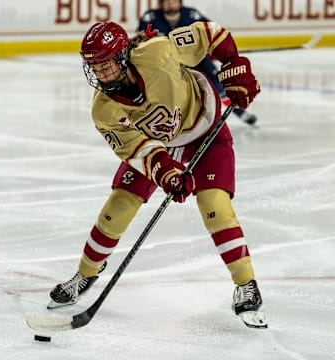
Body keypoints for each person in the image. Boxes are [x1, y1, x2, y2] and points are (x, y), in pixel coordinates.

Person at [47, 19, 266, 327]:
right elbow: (136, 149)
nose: (100, 73)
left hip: (206, 130)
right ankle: (85, 275)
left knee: (215, 207)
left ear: (122, 57)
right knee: (118, 207)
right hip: (161, 145)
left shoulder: (159, 52)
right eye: (93, 67)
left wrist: (234, 63)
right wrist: (166, 172)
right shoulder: (104, 110)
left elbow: (210, 34)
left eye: (105, 65)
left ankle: (246, 284)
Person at [137, 0, 258, 125]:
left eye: (174, 1)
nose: (171, 4)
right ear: (161, 4)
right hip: (167, 62)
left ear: (179, 3)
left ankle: (240, 113)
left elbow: (210, 31)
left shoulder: (192, 15)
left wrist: (212, 51)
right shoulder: (149, 18)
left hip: (197, 59)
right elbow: (141, 43)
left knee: (217, 84)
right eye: (167, 1)